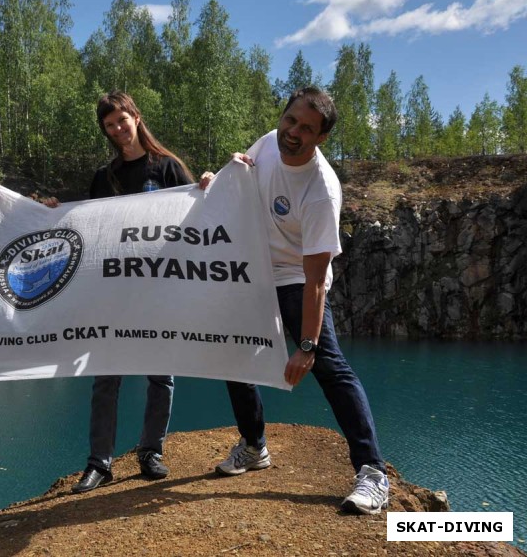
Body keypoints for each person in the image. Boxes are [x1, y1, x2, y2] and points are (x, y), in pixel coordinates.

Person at [199, 87, 389, 515]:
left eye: (307, 129)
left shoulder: (322, 191)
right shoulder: (268, 141)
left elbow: (316, 280)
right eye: (290, 120)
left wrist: (306, 345)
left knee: (330, 367)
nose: (293, 133)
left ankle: (373, 473)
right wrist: (219, 180)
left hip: (295, 279)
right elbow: (241, 182)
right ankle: (253, 447)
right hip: (252, 270)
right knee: (236, 357)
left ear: (321, 138)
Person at [70, 91, 195, 493]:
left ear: (136, 117)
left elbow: (202, 219)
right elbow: (87, 230)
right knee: (106, 379)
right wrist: (52, 210)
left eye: (122, 120)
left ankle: (150, 452)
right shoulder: (103, 178)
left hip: (160, 292)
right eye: (109, 125)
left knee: (162, 377)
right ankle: (99, 463)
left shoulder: (169, 168)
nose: (117, 129)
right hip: (113, 295)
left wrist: (209, 185)